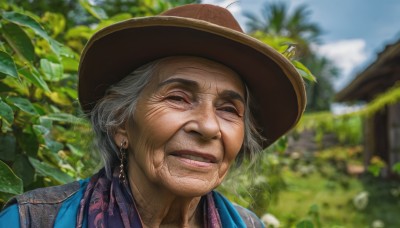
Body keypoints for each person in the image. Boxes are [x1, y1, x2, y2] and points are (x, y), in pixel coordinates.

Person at [0, 3, 306, 228]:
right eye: (178, 98)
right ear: (121, 122)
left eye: (228, 109)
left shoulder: (249, 225)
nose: (208, 127)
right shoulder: (31, 221)